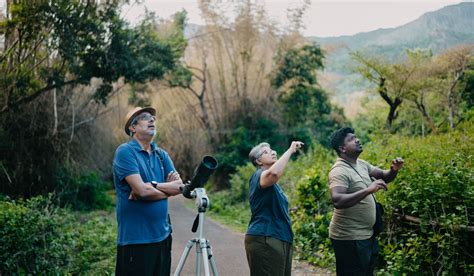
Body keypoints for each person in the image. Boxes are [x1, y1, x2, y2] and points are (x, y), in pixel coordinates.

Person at [113, 106, 184, 276]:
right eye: (145, 117)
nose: (152, 119)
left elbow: (180, 186)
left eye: (153, 117)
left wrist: (150, 187)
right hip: (136, 240)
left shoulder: (161, 155)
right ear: (133, 127)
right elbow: (142, 191)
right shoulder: (125, 152)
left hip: (163, 237)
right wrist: (166, 189)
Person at [328, 127, 404, 275]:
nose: (357, 140)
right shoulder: (339, 171)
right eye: (351, 139)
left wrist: (394, 170)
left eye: (356, 137)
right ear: (342, 148)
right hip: (348, 238)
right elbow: (337, 200)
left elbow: (383, 175)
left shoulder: (362, 164)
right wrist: (368, 190)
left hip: (366, 235)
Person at [245, 141, 304, 276]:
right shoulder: (258, 175)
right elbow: (274, 174)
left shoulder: (274, 186)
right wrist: (290, 150)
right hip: (266, 237)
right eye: (266, 152)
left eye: (272, 149)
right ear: (258, 161)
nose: (273, 152)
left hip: (280, 237)